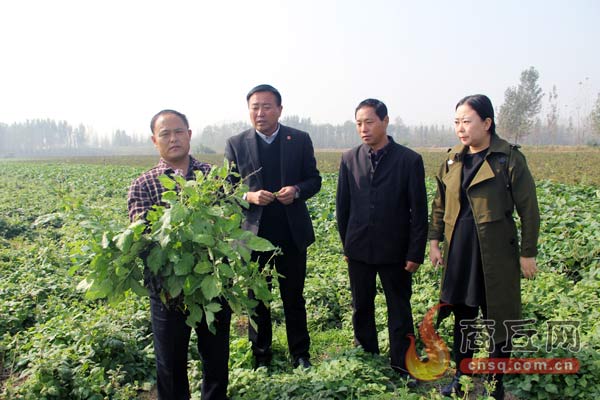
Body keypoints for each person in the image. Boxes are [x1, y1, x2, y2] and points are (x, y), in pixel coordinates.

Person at [429, 94, 540, 399]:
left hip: (495, 254)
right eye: (456, 122)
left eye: (467, 121)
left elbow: (529, 209)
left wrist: (528, 253)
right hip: (460, 252)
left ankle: (495, 384)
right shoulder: (453, 159)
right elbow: (439, 205)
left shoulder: (508, 159)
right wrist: (434, 241)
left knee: (498, 322)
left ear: (487, 123)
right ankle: (461, 377)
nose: (460, 128)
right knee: (463, 317)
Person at [128, 109, 231, 400]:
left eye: (178, 132)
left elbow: (228, 224)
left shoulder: (212, 177)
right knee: (170, 364)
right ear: (154, 140)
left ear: (188, 134)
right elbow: (142, 238)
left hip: (213, 284)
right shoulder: (143, 184)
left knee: (216, 359)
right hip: (166, 290)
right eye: (165, 134)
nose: (173, 139)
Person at [224, 84, 321, 369]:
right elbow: (224, 189)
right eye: (255, 107)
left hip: (291, 234)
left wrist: (297, 190)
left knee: (294, 297)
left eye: (267, 106)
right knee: (257, 298)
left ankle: (300, 354)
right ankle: (261, 354)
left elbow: (314, 179)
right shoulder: (236, 143)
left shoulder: (299, 139)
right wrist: (248, 196)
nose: (260, 112)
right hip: (253, 236)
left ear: (279, 109)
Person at [336, 98, 428, 386]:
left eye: (369, 122)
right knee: (361, 306)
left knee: (399, 308)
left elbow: (419, 211)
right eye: (359, 123)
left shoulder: (408, 160)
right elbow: (343, 207)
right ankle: (368, 356)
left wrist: (415, 252)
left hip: (396, 251)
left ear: (385, 121)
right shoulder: (349, 159)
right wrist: (347, 245)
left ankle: (402, 363)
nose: (363, 129)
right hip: (359, 248)